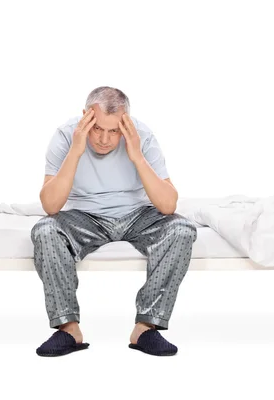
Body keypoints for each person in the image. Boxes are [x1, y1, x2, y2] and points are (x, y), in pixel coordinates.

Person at [31, 86, 197, 357]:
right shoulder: (65, 136)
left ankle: (146, 327)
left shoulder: (141, 135)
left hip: (138, 215)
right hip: (84, 216)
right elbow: (50, 205)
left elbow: (168, 205)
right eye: (98, 129)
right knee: (45, 230)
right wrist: (76, 150)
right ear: (86, 117)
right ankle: (68, 329)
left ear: (126, 123)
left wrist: (136, 156)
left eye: (114, 131)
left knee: (181, 229)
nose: (106, 140)